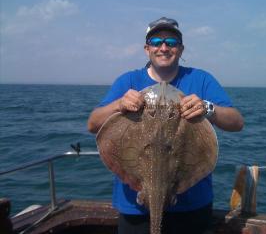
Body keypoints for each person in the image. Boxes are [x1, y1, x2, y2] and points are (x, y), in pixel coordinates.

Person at [88, 17, 244, 234]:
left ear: (180, 49)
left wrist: (207, 108)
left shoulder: (201, 79)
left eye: (171, 42)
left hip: (192, 205)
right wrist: (118, 104)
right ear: (147, 49)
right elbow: (93, 124)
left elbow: (237, 122)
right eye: (156, 42)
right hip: (135, 208)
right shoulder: (128, 81)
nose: (163, 47)